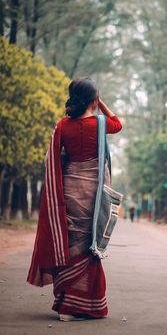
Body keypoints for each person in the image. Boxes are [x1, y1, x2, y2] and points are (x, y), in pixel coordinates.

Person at [27, 77, 122, 321]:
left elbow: (53, 161)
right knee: (90, 245)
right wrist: (101, 105)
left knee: (70, 243)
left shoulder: (61, 126)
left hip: (68, 191)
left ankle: (66, 304)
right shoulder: (101, 124)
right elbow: (118, 124)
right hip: (93, 194)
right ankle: (81, 307)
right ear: (93, 100)